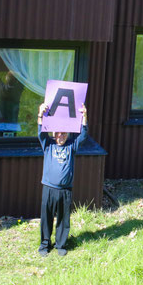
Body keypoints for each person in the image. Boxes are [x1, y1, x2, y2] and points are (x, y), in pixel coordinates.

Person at [36, 102, 87, 257]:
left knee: (63, 219)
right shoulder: (48, 145)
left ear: (67, 134)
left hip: (65, 190)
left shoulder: (71, 146)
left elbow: (83, 135)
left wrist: (84, 115)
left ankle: (61, 244)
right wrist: (40, 114)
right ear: (54, 133)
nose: (61, 136)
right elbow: (40, 132)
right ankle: (45, 245)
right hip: (48, 188)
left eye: (64, 133)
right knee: (46, 217)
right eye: (58, 133)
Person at [0, 49, 24, 137]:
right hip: (12, 124)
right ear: (17, 80)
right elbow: (23, 78)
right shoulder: (18, 91)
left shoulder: (2, 89)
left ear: (6, 78)